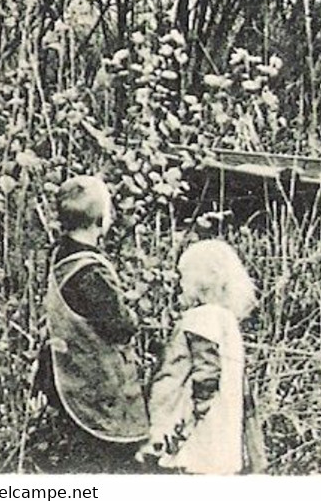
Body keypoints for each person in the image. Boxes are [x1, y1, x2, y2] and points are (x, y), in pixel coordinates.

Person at [35, 175, 150, 472]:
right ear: (102, 220)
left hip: (65, 367)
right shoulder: (90, 273)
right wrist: (132, 316)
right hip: (92, 378)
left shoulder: (61, 254)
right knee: (109, 452)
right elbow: (119, 326)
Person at [143, 239, 257, 474]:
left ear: (205, 279)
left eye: (184, 275)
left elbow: (206, 373)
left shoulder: (201, 317)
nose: (181, 283)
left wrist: (187, 425)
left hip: (198, 428)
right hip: (222, 425)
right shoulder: (227, 319)